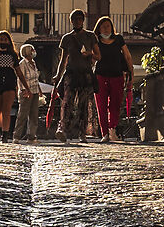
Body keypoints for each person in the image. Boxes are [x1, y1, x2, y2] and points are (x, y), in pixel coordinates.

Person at [53, 8, 98, 140]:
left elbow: (99, 56)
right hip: (71, 73)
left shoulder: (90, 36)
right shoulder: (67, 38)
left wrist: (90, 53)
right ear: (71, 21)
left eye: (80, 19)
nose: (78, 21)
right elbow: (63, 59)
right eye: (75, 19)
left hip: (86, 74)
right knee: (67, 102)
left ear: (83, 20)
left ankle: (82, 132)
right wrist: (58, 75)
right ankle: (62, 129)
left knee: (83, 105)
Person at [92, 15, 133, 144]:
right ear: (98, 29)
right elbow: (90, 56)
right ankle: (104, 133)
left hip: (117, 76)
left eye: (108, 26)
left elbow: (127, 56)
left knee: (115, 105)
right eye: (102, 27)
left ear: (112, 27)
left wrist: (131, 72)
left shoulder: (119, 39)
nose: (105, 29)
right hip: (100, 76)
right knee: (101, 106)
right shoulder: (95, 41)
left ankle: (112, 129)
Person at [13, 41, 43, 141]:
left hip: (34, 91)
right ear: (27, 52)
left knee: (34, 114)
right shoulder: (22, 64)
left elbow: (36, 78)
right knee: (23, 114)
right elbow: (20, 78)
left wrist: (39, 90)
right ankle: (16, 136)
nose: (34, 52)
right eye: (32, 50)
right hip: (26, 91)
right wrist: (24, 90)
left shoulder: (33, 63)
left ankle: (32, 135)